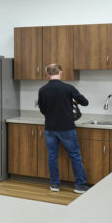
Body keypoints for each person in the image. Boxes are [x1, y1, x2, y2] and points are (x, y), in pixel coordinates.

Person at [38, 63, 89, 193]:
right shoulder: (68, 88)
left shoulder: (42, 90)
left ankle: (54, 185)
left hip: (50, 128)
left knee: (52, 157)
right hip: (67, 128)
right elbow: (85, 102)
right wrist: (74, 101)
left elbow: (42, 109)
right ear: (60, 72)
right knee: (75, 156)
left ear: (47, 74)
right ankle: (80, 186)